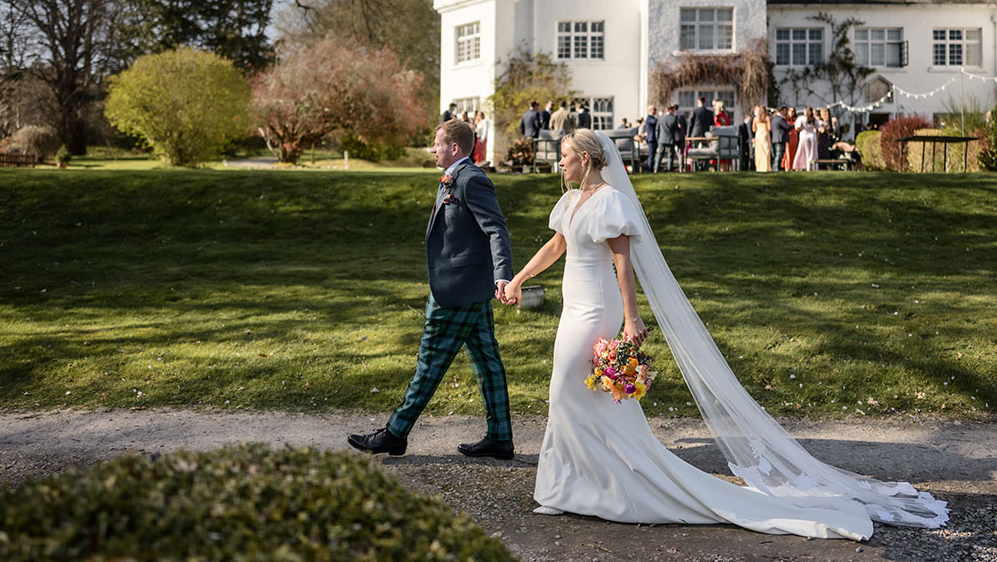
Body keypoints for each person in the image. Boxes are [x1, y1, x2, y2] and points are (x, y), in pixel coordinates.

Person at [499, 129, 947, 537]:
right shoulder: (571, 201)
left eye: (564, 157)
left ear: (585, 158)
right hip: (571, 306)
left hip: (596, 308)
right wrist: (518, 280)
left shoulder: (610, 201)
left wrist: (632, 318)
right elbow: (556, 245)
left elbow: (622, 262)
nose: (559, 163)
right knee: (573, 397)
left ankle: (597, 487)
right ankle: (568, 487)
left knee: (565, 391)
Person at [349, 119, 515, 460]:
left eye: (437, 143)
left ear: (454, 148)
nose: (432, 148)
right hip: (466, 287)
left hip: (456, 290)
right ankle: (500, 438)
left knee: (430, 361)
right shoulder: (452, 178)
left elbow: (497, 230)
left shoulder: (471, 180)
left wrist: (502, 277)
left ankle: (395, 433)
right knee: (487, 361)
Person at [655, 104, 680, 172]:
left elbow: (657, 130)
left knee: (659, 155)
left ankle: (656, 169)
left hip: (662, 139)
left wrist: (658, 139)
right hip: (670, 139)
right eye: (673, 111)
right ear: (670, 110)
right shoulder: (674, 118)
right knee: (670, 156)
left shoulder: (660, 118)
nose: (674, 112)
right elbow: (676, 129)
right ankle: (669, 169)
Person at [792, 107, 818, 171]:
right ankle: (811, 166)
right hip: (812, 136)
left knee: (802, 151)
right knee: (812, 153)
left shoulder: (801, 118)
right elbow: (817, 129)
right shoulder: (814, 119)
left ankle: (800, 165)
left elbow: (797, 127)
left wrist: (802, 128)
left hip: (804, 136)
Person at [770, 108, 792, 172]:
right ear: (781, 111)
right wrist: (793, 125)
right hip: (780, 139)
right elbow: (787, 126)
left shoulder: (773, 119)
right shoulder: (780, 119)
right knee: (779, 154)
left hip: (775, 139)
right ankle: (776, 168)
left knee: (777, 154)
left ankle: (776, 167)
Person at [752, 106, 771, 172]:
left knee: (759, 153)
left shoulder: (755, 119)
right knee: (766, 151)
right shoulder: (767, 118)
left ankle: (759, 168)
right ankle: (766, 168)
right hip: (765, 134)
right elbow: (769, 128)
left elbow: (754, 129)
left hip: (758, 135)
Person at [643, 105, 659, 173]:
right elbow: (655, 121)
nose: (655, 111)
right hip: (651, 139)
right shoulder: (649, 118)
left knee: (652, 155)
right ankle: (649, 169)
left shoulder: (651, 118)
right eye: (654, 109)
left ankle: (650, 168)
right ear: (650, 110)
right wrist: (659, 116)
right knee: (651, 155)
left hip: (652, 139)